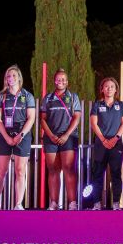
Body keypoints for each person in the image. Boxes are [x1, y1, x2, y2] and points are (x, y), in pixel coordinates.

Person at [0, 65, 36, 210]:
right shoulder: (0, 96)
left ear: (19, 78)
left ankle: (18, 204)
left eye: (13, 76)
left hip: (22, 135)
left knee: (20, 170)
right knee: (1, 170)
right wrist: (7, 137)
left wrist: (21, 135)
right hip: (5, 134)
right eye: (8, 76)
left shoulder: (27, 96)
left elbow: (31, 118)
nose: (10, 78)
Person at [40, 68, 82, 210]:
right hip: (50, 137)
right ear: (54, 81)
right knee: (52, 170)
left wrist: (66, 135)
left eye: (64, 79)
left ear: (67, 82)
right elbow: (43, 119)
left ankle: (72, 203)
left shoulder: (73, 97)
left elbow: (77, 117)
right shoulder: (48, 98)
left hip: (68, 137)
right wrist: (51, 135)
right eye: (58, 79)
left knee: (69, 169)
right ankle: (54, 203)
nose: (61, 81)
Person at [87, 77, 123, 210]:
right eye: (106, 86)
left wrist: (115, 138)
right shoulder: (97, 105)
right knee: (98, 174)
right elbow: (93, 124)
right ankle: (97, 203)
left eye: (112, 86)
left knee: (116, 174)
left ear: (116, 89)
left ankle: (116, 203)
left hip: (116, 144)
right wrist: (104, 140)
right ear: (102, 89)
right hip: (101, 144)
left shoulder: (121, 105)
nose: (109, 89)